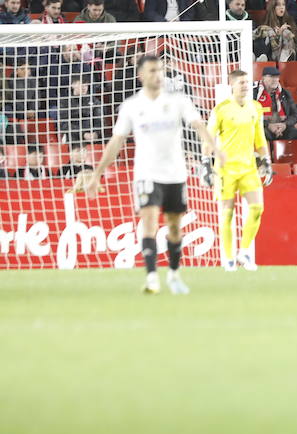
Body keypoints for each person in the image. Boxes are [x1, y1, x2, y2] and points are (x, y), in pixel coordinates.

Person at [78, 54, 214, 295]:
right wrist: (97, 172)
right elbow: (116, 141)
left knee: (174, 226)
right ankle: (152, 278)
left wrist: (215, 150)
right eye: (152, 71)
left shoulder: (178, 101)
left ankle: (173, 274)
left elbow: (199, 126)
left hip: (175, 173)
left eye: (160, 70)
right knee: (149, 223)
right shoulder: (131, 106)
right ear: (141, 75)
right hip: (146, 174)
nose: (157, 75)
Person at [207, 69, 269, 272]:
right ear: (232, 85)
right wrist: (205, 162)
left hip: (248, 166)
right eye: (241, 82)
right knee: (227, 212)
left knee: (257, 208)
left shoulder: (256, 108)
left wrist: (265, 160)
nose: (244, 85)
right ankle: (228, 258)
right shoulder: (221, 109)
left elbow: (259, 137)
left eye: (246, 82)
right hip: (225, 168)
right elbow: (209, 138)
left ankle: (244, 252)